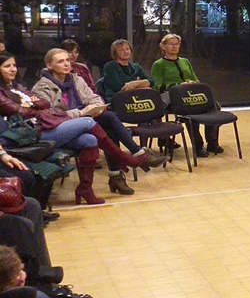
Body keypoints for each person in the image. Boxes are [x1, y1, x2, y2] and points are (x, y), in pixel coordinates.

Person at [30, 50, 165, 197]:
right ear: (49, 65)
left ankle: (118, 173)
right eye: (60, 61)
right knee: (106, 123)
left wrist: (96, 108)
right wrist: (81, 113)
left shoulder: (76, 79)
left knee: (108, 120)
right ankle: (132, 159)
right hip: (62, 126)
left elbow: (94, 97)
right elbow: (51, 116)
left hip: (85, 118)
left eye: (67, 60)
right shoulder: (41, 88)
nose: (66, 64)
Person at [150, 35, 221, 157]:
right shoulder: (158, 64)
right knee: (190, 109)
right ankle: (197, 145)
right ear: (163, 47)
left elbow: (196, 79)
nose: (174, 46)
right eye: (171, 44)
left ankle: (212, 141)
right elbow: (156, 86)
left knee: (213, 105)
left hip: (190, 91)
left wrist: (193, 83)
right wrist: (178, 85)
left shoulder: (185, 61)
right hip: (172, 94)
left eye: (176, 44)